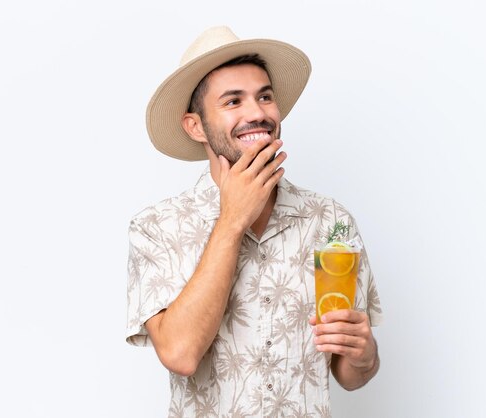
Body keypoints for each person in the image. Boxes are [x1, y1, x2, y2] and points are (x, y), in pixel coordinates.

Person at [126, 26, 383, 417]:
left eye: (265, 96)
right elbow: (180, 354)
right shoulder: (158, 227)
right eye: (233, 101)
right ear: (195, 126)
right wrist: (231, 221)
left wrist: (363, 356)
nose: (258, 113)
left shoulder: (330, 222)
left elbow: (347, 373)